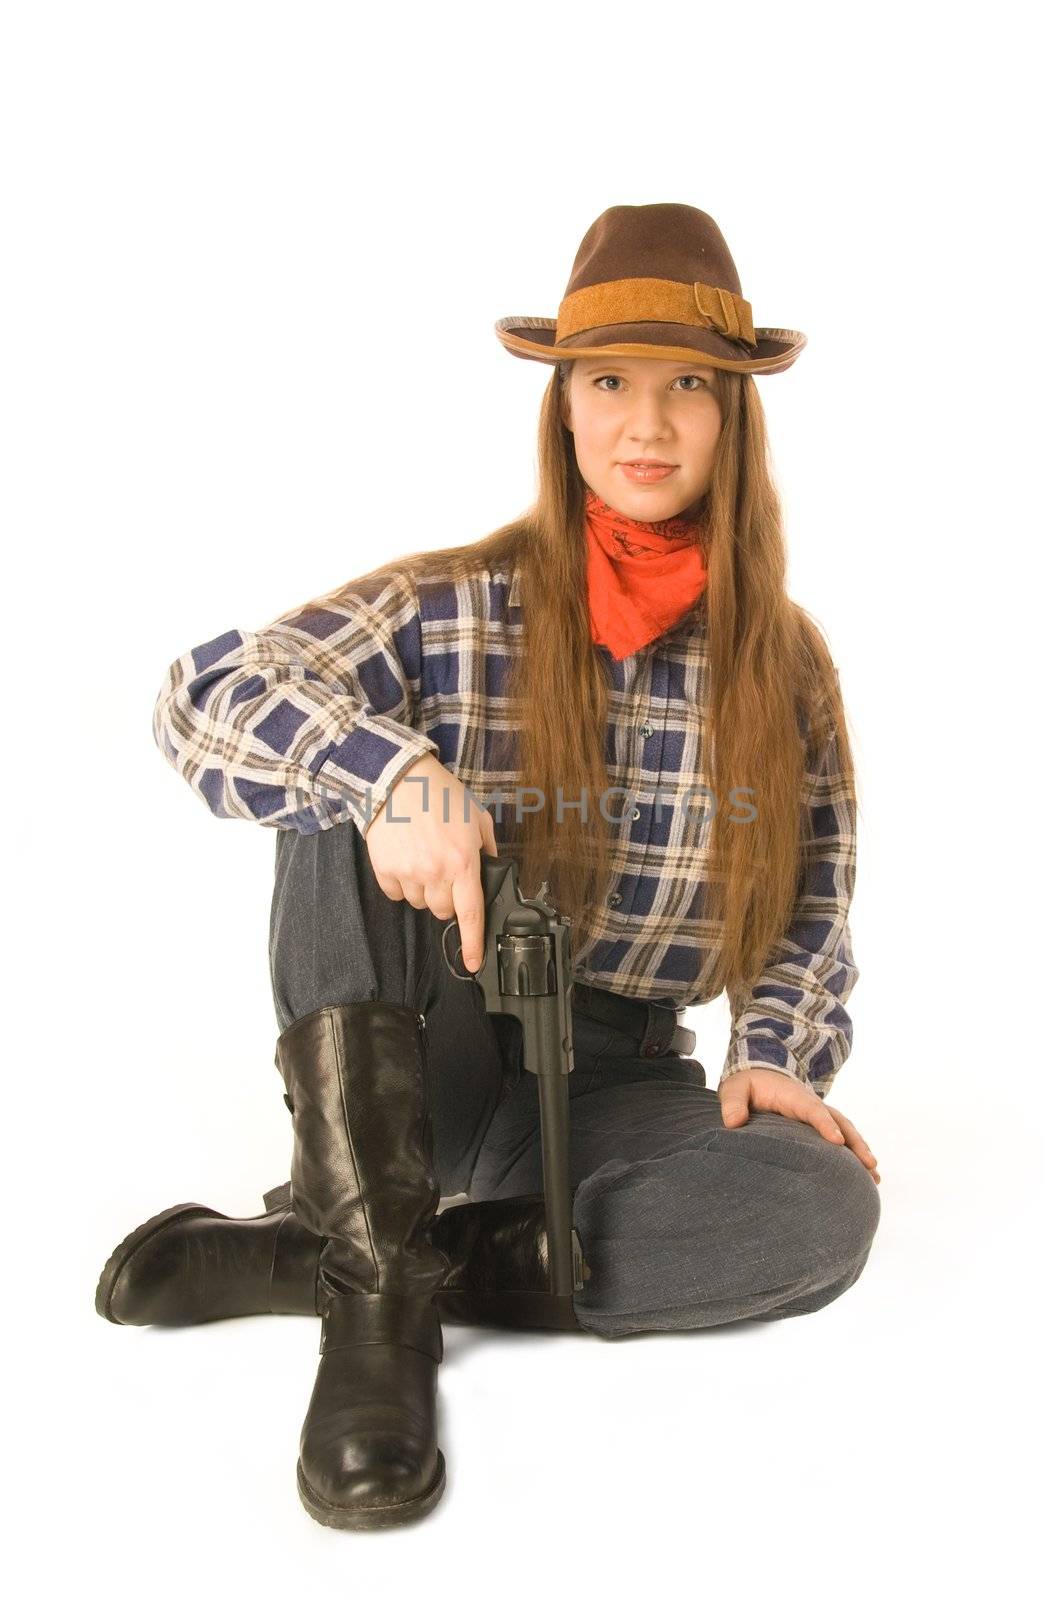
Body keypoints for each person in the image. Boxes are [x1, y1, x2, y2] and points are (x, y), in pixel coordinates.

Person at [94, 203, 881, 1531]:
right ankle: (375, 1345)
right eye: (608, 384)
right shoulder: (445, 601)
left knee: (819, 1215)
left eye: (687, 386)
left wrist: (773, 1057)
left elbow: (813, 902)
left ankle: (353, 1259)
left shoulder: (783, 660)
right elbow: (209, 694)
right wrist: (390, 775)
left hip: (620, 1074)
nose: (646, 424)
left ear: (732, 416)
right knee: (334, 781)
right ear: (562, 409)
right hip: (432, 1044)